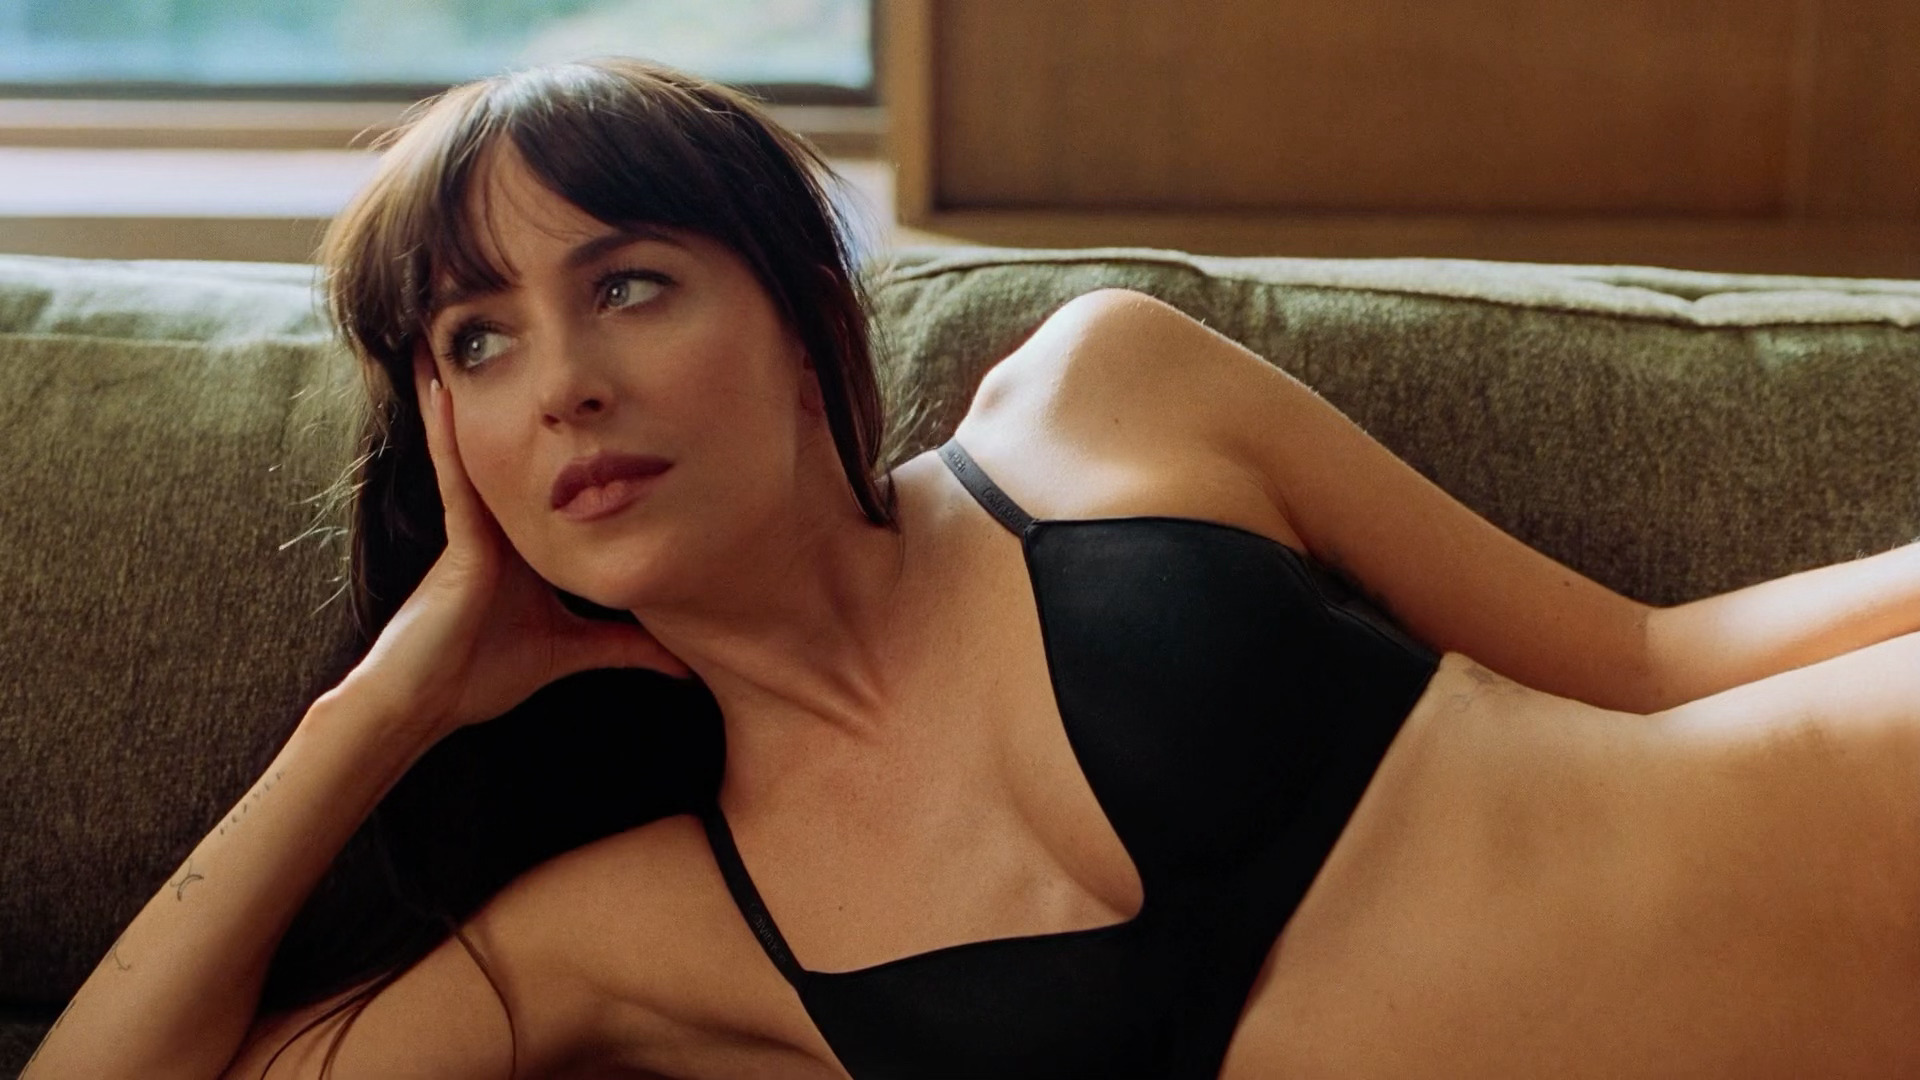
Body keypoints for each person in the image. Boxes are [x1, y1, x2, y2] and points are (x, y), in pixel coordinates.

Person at [24, 56, 1920, 1080]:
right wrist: (381, 709)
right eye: (478, 340)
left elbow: (1649, 664)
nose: (568, 381)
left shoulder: (1102, 402)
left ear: (800, 325)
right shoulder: (639, 933)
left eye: (631, 283)